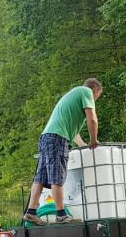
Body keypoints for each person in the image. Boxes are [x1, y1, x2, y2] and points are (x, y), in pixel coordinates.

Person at [23, 78, 103, 225]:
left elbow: (74, 134)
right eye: (97, 97)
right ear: (96, 90)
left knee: (41, 177)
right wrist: (94, 140)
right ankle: (61, 214)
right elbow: (92, 119)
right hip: (57, 138)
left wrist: (84, 145)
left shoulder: (72, 97)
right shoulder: (86, 92)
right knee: (57, 176)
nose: (94, 100)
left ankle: (31, 212)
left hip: (47, 137)